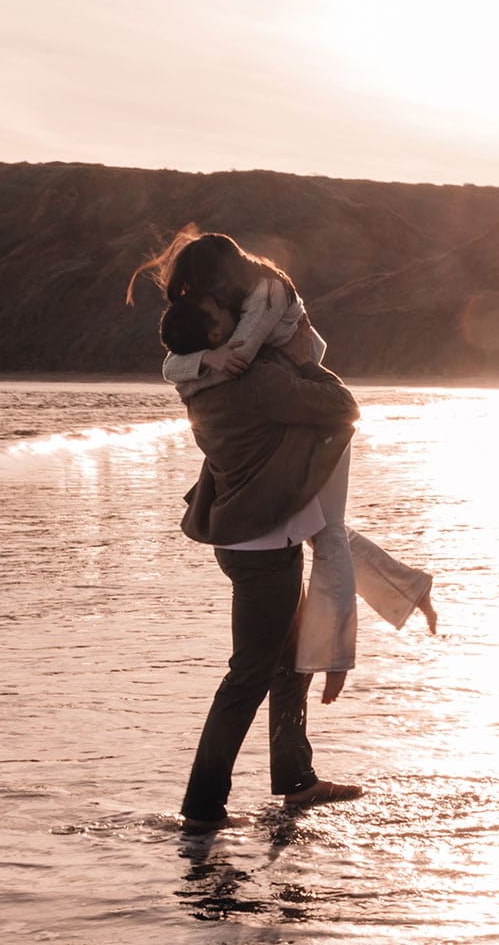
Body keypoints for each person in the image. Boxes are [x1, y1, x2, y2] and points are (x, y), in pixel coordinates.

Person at [132, 227, 437, 676]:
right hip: (293, 406)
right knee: (319, 525)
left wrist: (198, 371)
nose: (197, 302)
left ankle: (333, 658)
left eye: (199, 291)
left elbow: (237, 363)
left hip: (318, 413)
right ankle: (408, 588)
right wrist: (201, 362)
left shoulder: (266, 294)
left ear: (219, 279)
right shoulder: (238, 298)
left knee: (328, 532)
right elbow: (185, 365)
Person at [158, 292, 363, 832]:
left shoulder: (201, 383)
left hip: (246, 539)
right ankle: (202, 806)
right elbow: (344, 407)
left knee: (286, 664)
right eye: (226, 315)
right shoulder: (260, 382)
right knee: (248, 676)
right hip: (265, 548)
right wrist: (306, 364)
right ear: (211, 336)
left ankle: (297, 780)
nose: (240, 320)